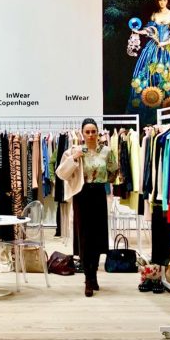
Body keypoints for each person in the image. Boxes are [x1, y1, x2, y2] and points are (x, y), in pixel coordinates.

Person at [56, 118, 118, 297]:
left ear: (98, 133)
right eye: (87, 132)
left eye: (93, 131)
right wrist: (74, 159)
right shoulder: (75, 151)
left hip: (98, 194)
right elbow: (61, 173)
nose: (90, 135)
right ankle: (88, 279)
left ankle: (94, 274)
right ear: (82, 134)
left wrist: (104, 180)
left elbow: (114, 171)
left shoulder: (106, 151)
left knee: (97, 236)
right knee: (84, 236)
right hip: (82, 195)